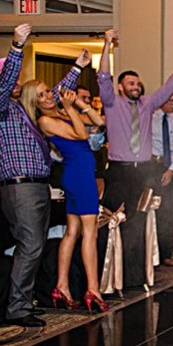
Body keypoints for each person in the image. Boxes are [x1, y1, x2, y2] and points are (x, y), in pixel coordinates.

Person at [0, 24, 90, 327]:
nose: (14, 81)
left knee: (35, 246)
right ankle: (17, 309)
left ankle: (24, 302)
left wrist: (77, 68)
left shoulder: (24, 112)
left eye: (15, 76)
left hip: (38, 187)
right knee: (30, 246)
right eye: (7, 77)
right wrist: (16, 47)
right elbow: (5, 88)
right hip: (20, 188)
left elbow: (50, 97)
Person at [97, 29, 173, 289]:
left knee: (137, 224)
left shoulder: (147, 104)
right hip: (118, 172)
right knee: (111, 222)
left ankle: (134, 277)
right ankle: (107, 278)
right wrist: (107, 44)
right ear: (121, 87)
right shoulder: (111, 103)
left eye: (137, 84)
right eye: (130, 84)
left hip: (143, 172)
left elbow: (170, 86)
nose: (135, 86)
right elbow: (103, 76)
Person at [21, 74, 109, 314]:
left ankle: (62, 286)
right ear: (34, 102)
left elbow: (99, 122)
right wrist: (70, 109)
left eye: (47, 91)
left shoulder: (61, 113)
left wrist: (79, 105)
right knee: (89, 233)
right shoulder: (45, 122)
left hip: (78, 175)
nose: (48, 96)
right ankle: (93, 289)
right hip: (79, 176)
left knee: (73, 232)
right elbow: (82, 135)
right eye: (41, 95)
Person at [150, 89, 173, 267]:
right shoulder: (148, 115)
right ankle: (149, 252)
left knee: (167, 211)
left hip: (167, 166)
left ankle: (166, 252)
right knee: (148, 210)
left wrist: (171, 170)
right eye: (171, 101)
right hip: (149, 166)